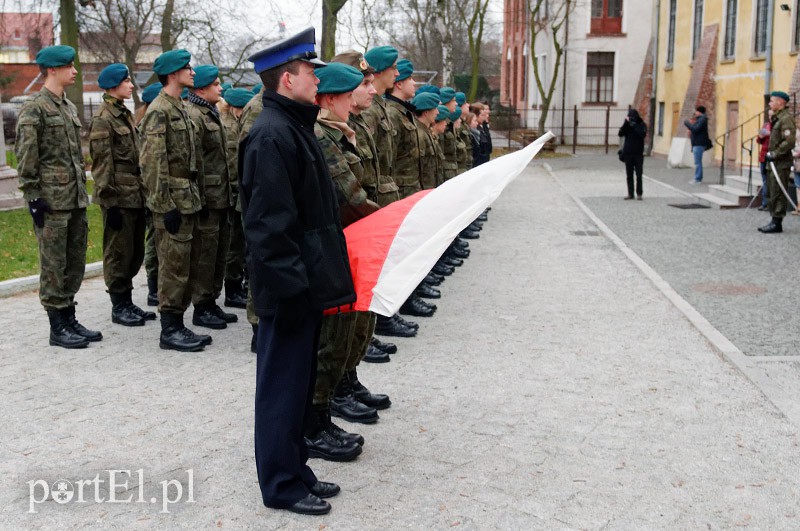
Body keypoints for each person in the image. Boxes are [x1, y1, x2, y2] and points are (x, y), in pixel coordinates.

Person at [240, 27, 355, 516]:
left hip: (303, 283)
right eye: (311, 72)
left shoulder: (292, 127)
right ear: (288, 79)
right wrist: (291, 289)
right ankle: (281, 485)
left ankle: (297, 468)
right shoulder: (270, 135)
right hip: (288, 288)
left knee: (298, 384)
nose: (317, 79)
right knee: (281, 389)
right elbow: (268, 228)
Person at [306, 61, 383, 463]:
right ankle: (317, 418)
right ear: (335, 96)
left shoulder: (344, 130)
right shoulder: (322, 135)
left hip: (352, 242)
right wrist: (390, 222)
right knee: (333, 333)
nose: (369, 91)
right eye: (361, 85)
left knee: (350, 327)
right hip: (337, 244)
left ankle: (332, 400)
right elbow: (349, 198)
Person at [16, 45, 103, 348]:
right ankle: (57, 326)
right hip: (51, 202)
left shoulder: (67, 106)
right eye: (69, 66)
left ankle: (69, 317)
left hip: (75, 199)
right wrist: (32, 197)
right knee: (53, 264)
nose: (75, 71)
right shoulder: (35, 107)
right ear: (52, 69)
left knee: (74, 261)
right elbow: (26, 156)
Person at [140, 49, 211, 352]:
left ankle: (179, 323)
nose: (192, 72)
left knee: (187, 263)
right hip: (172, 201)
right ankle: (169, 330)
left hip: (188, 198)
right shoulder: (159, 109)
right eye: (187, 68)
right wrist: (164, 205)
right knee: (173, 266)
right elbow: (153, 162)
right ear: (172, 74)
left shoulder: (179, 106)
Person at [89, 63, 155, 327]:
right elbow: (102, 163)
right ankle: (119, 305)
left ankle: (127, 301)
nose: (131, 85)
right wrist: (109, 201)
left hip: (134, 194)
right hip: (118, 196)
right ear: (115, 85)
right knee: (118, 252)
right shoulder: (104, 117)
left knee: (133, 251)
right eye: (127, 81)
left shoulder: (123, 113)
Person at [186, 65, 238, 330]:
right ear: (201, 89)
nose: (220, 88)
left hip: (221, 196)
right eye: (215, 84)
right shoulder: (194, 115)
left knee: (219, 252)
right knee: (206, 254)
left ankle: (211, 301)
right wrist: (201, 199)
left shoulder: (210, 112)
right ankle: (201, 305)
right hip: (208, 198)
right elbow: (193, 161)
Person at [219, 88, 252, 310]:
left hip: (237, 192)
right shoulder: (229, 128)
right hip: (231, 194)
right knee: (234, 245)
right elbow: (231, 164)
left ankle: (235, 286)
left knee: (239, 244)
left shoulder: (237, 125)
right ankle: (231, 289)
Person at [137, 82, 163, 308]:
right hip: (149, 192)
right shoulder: (148, 124)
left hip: (150, 191)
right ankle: (153, 287)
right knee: (154, 242)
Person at [758, 91, 797, 234]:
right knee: (772, 191)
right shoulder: (777, 118)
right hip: (773, 163)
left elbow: (790, 141)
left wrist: (775, 153)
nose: (769, 103)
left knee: (778, 192)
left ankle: (777, 222)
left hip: (780, 163)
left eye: (772, 101)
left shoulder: (786, 119)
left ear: (780, 102)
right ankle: (774, 219)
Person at [618, 108, 647, 200]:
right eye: (630, 117)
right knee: (629, 175)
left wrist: (634, 125)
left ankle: (639, 193)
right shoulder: (627, 125)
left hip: (638, 154)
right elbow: (620, 133)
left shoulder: (641, 124)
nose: (632, 118)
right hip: (628, 153)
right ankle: (630, 193)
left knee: (639, 174)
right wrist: (626, 123)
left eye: (632, 117)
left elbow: (642, 135)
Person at [684, 105, 711, 184]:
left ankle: (697, 179)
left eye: (696, 111)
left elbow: (695, 129)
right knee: (697, 162)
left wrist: (687, 123)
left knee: (697, 162)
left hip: (699, 143)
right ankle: (697, 178)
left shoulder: (702, 119)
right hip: (697, 143)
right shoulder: (700, 119)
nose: (695, 113)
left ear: (699, 112)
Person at [756, 110, 774, 211]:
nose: (770, 117)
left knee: (771, 181)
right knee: (765, 180)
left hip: (772, 156)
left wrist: (769, 134)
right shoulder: (766, 125)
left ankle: (770, 203)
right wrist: (760, 136)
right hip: (763, 156)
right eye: (769, 115)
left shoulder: (777, 126)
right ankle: (765, 203)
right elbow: (759, 141)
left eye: (772, 115)